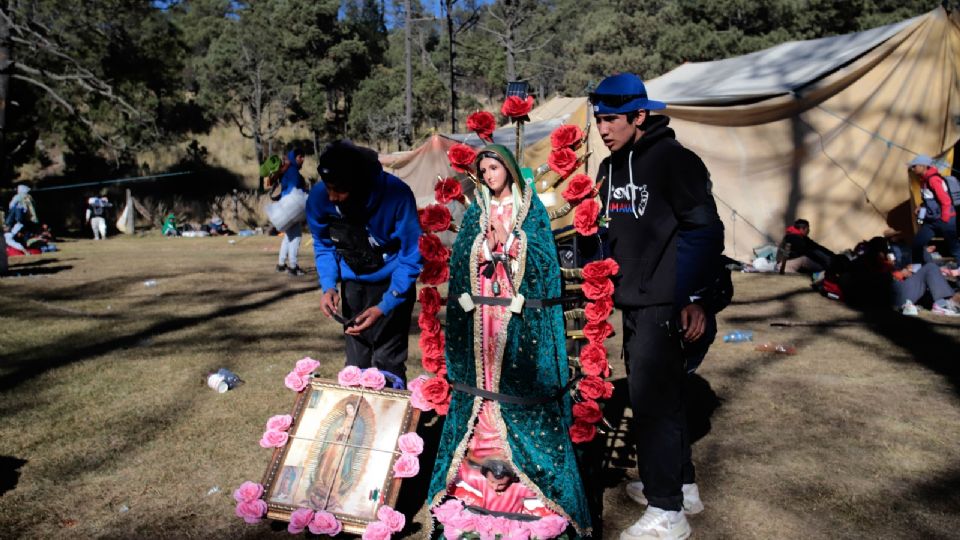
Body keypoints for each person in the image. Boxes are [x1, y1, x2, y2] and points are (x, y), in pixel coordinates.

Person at [426, 144, 591, 537]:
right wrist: (483, 243)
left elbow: (543, 265)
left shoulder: (528, 209)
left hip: (517, 322)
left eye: (493, 168)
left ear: (508, 169)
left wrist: (511, 240)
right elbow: (463, 259)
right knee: (483, 392)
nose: (487, 175)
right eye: (482, 170)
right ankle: (473, 491)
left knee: (515, 389)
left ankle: (531, 497)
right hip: (482, 318)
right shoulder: (476, 212)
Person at [590, 73, 724, 540]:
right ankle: (680, 485)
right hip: (632, 299)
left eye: (611, 119)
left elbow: (705, 231)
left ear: (640, 115)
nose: (602, 128)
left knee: (653, 403)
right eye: (598, 119)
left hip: (668, 300)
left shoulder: (675, 162)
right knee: (663, 399)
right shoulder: (609, 169)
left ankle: (668, 513)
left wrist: (694, 298)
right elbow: (607, 230)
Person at [306, 140, 421, 384]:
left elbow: (411, 257)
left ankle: (389, 419)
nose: (332, 197)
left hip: (392, 283)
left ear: (359, 183)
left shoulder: (397, 195)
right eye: (328, 187)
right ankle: (359, 421)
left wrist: (386, 304)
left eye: (339, 189)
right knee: (355, 364)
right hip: (353, 285)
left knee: (387, 361)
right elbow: (324, 244)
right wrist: (328, 285)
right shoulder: (320, 197)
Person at [909, 155, 960, 263]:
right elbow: (930, 200)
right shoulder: (924, 181)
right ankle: (918, 272)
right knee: (917, 244)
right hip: (932, 221)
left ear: (923, 166)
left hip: (945, 220)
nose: (912, 169)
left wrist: (944, 219)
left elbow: (945, 201)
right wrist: (921, 207)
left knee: (954, 248)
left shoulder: (933, 180)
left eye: (914, 166)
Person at [275, 148, 308, 276]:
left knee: (289, 236)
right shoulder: (293, 171)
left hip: (284, 205)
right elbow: (294, 190)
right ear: (295, 158)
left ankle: (281, 264)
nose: (303, 159)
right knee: (296, 237)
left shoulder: (287, 171)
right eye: (300, 156)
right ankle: (293, 267)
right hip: (291, 206)